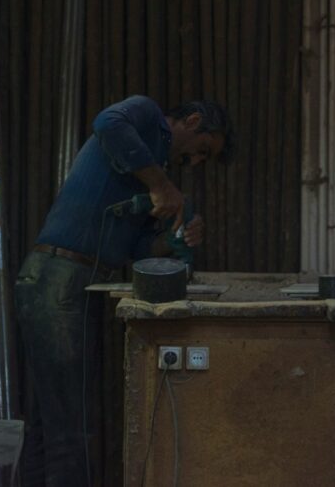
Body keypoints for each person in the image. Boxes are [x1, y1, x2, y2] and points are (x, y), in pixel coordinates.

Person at [14, 95, 236, 486]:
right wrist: (162, 186)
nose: (197, 162)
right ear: (193, 120)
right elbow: (107, 121)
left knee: (51, 421)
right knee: (70, 426)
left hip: (74, 281)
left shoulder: (153, 166)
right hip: (58, 275)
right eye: (202, 150)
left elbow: (137, 252)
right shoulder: (145, 116)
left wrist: (177, 236)